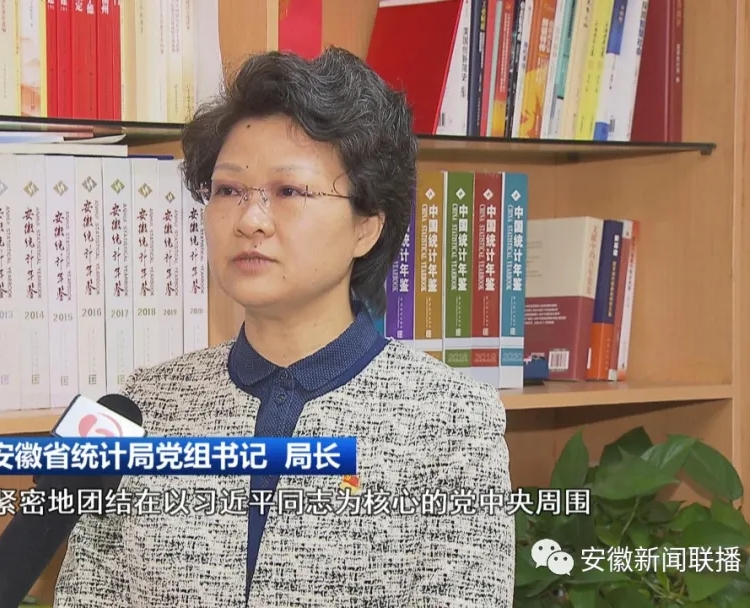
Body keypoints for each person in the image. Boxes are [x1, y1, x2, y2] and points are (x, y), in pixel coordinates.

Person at [53, 47, 514, 607]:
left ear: (366, 227)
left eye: (289, 192)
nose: (250, 219)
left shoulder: (452, 421)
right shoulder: (144, 406)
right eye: (228, 191)